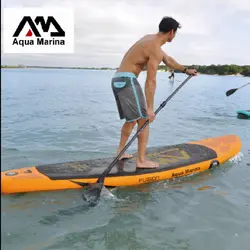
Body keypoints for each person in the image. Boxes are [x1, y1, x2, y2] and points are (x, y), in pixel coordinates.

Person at [111, 16, 197, 169]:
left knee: (132, 119)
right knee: (144, 119)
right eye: (175, 33)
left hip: (117, 79)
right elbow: (151, 80)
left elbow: (169, 60)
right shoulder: (155, 49)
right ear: (172, 32)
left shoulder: (149, 39)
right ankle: (141, 161)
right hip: (128, 81)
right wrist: (150, 108)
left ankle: (120, 152)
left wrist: (185, 70)